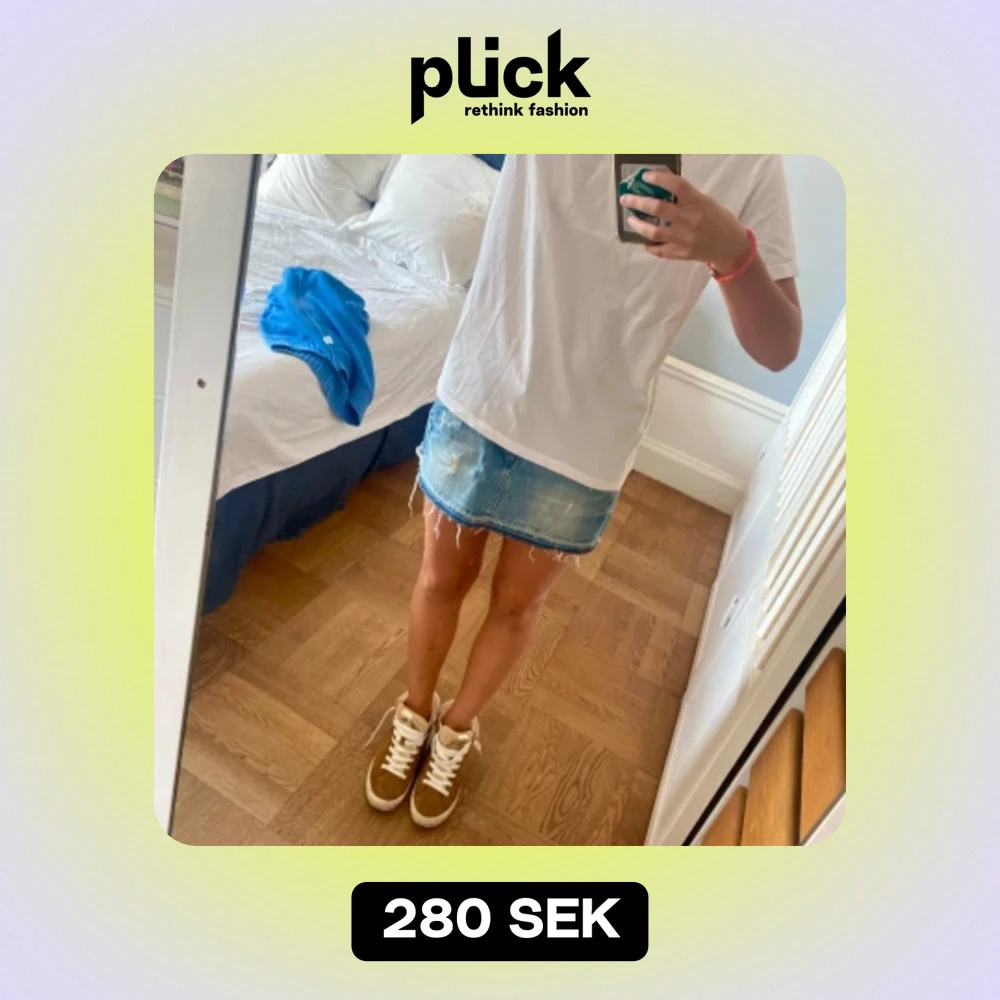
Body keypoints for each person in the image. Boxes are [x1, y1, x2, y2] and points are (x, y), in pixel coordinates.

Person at [365, 154, 802, 828]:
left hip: (588, 437)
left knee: (517, 606)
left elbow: (779, 347)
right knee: (440, 578)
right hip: (483, 392)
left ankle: (456, 729)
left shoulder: (749, 156)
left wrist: (731, 253)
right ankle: (415, 712)